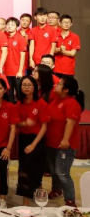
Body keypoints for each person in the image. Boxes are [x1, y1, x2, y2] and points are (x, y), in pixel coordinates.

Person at [46, 77, 83, 207]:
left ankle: (70, 200)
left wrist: (65, 139)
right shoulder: (55, 100)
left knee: (62, 173)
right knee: (54, 171)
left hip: (65, 145)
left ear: (66, 90)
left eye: (59, 84)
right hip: (51, 143)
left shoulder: (71, 103)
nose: (56, 85)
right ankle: (57, 190)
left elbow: (70, 122)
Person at [15, 76, 50, 206]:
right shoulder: (19, 104)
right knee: (24, 169)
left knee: (33, 169)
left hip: (36, 139)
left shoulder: (41, 104)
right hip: (23, 139)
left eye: (29, 85)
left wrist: (33, 145)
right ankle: (34, 195)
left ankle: (27, 201)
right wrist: (24, 123)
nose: (26, 87)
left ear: (35, 87)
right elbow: (16, 123)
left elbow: (44, 127)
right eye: (24, 85)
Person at [54, 15, 80, 81]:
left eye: (68, 22)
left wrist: (62, 51)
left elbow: (72, 53)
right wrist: (59, 49)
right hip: (55, 69)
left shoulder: (75, 37)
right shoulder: (55, 35)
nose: (67, 24)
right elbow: (51, 50)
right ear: (60, 23)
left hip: (68, 70)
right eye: (65, 22)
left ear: (71, 24)